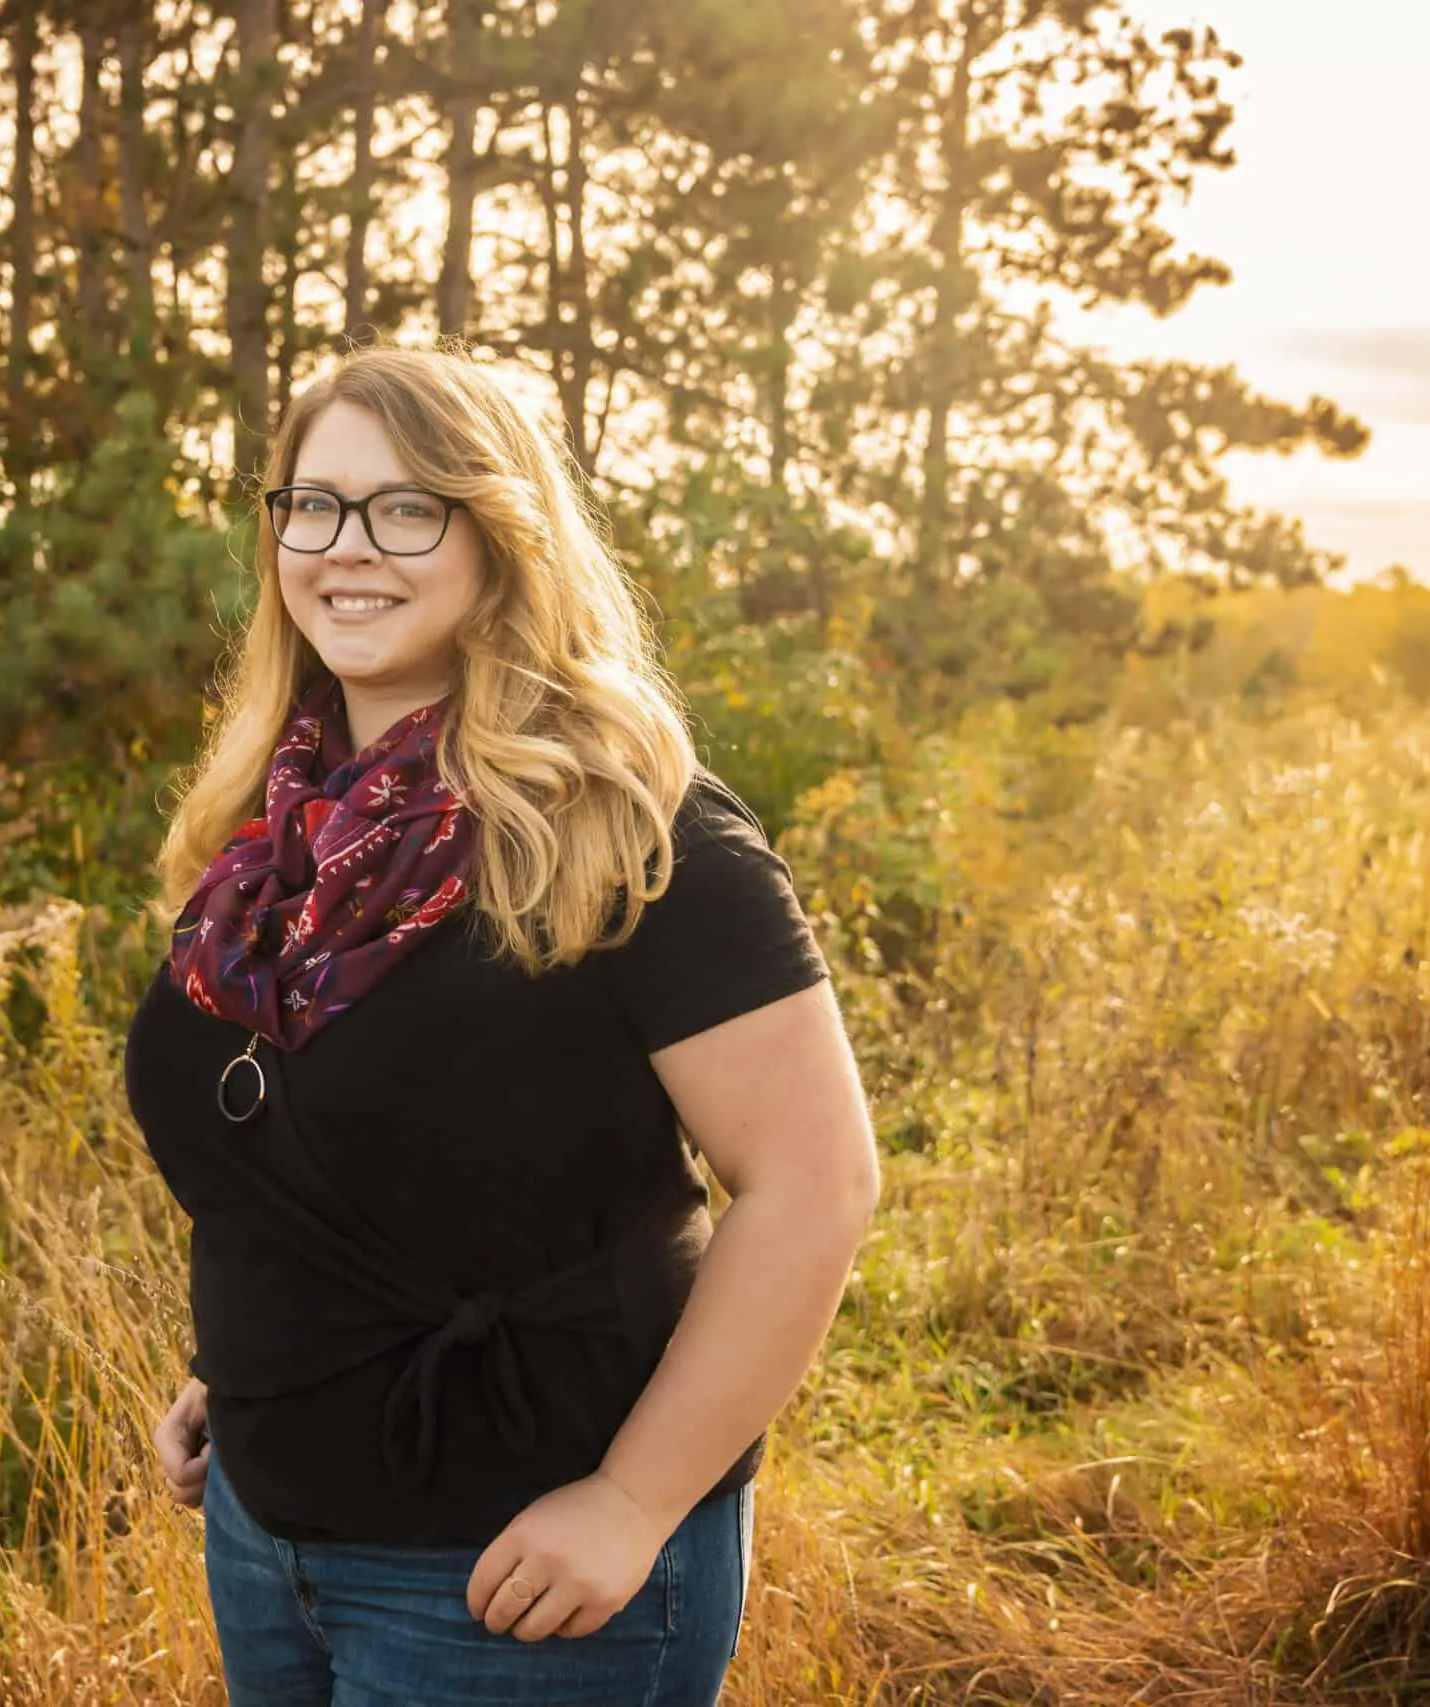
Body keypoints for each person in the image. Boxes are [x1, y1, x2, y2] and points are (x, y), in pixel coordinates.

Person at [122, 341, 878, 1706]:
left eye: (408, 507)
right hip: (264, 1536)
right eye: (313, 503)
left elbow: (814, 1187)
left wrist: (633, 1502)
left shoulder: (635, 827)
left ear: (503, 533)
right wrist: (245, 1369)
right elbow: (318, 1161)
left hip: (517, 1576)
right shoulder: (269, 831)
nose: (348, 546)